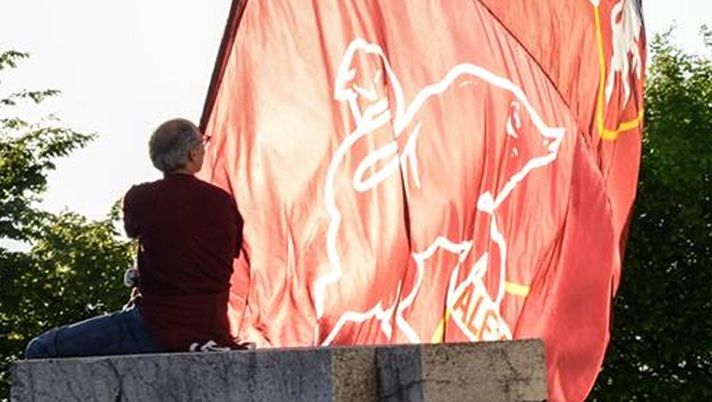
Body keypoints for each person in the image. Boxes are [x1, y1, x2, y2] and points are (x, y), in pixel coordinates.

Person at [25, 118, 244, 358]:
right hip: (212, 329)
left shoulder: (140, 197)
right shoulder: (223, 202)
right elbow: (222, 255)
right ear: (192, 153)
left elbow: (140, 233)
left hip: (154, 326)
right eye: (203, 143)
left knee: (41, 348)